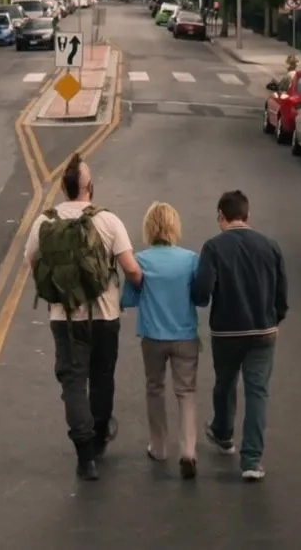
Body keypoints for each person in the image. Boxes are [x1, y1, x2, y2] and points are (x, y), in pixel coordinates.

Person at [24, 155, 142, 481]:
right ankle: (101, 435)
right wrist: (141, 286)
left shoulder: (44, 222)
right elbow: (131, 269)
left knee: (73, 382)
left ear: (63, 188)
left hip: (64, 318)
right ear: (89, 186)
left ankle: (84, 454)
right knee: (102, 376)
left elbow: (32, 263)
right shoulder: (108, 221)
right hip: (105, 315)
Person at [191, 189, 287, 481]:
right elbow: (282, 297)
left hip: (227, 332)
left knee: (225, 384)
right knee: (257, 392)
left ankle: (223, 433)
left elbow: (202, 295)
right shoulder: (270, 246)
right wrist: (274, 320)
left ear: (221, 216)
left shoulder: (213, 248)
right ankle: (252, 461)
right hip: (263, 332)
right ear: (248, 216)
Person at [119, 202, 202, 480]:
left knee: (155, 388)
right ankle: (188, 450)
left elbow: (129, 299)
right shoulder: (191, 259)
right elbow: (199, 296)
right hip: (185, 335)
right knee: (186, 392)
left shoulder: (141, 260)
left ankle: (159, 446)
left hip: (153, 336)